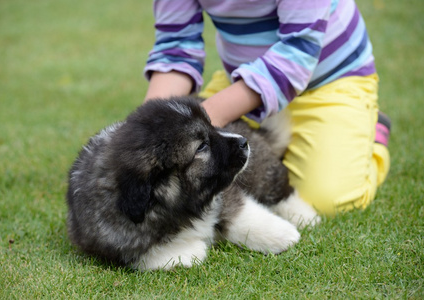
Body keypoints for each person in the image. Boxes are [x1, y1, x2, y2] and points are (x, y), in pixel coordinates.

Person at [142, 0, 391, 216]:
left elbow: (297, 52)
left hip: (330, 81)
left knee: (325, 200)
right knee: (206, 166)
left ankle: (373, 135)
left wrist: (203, 120)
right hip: (244, 81)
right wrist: (145, 129)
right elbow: (175, 47)